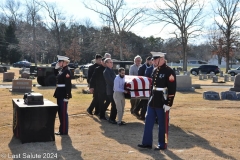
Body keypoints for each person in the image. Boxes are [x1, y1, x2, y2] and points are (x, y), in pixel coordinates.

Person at [138, 52, 176, 150]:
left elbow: (172, 89)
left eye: (155, 59)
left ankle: (162, 144)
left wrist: (169, 103)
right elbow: (152, 87)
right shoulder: (155, 70)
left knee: (162, 124)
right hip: (153, 100)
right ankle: (146, 143)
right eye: (153, 60)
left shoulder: (169, 71)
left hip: (162, 101)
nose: (153, 61)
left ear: (162, 59)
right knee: (148, 122)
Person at [53, 55, 72, 135]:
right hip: (59, 93)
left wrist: (67, 96)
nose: (59, 63)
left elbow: (68, 85)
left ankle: (64, 130)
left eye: (60, 62)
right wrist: (55, 68)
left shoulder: (67, 71)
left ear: (64, 62)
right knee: (60, 113)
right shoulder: (62, 70)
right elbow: (56, 76)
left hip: (63, 94)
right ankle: (61, 130)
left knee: (63, 113)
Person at [103, 58, 117, 124]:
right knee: (114, 104)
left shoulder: (112, 70)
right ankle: (111, 119)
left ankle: (113, 118)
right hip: (110, 90)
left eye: (112, 62)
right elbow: (110, 81)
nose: (112, 63)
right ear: (106, 63)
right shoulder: (106, 71)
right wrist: (117, 85)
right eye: (110, 62)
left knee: (115, 104)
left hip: (114, 90)